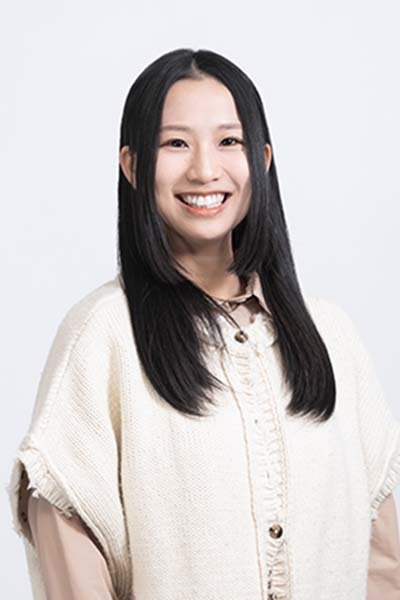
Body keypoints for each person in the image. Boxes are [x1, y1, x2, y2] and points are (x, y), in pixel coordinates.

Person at [7, 48, 400, 600]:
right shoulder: (101, 336)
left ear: (262, 160)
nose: (204, 170)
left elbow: (381, 560)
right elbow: (72, 558)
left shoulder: (331, 335)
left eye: (229, 141)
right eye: (175, 143)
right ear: (133, 166)